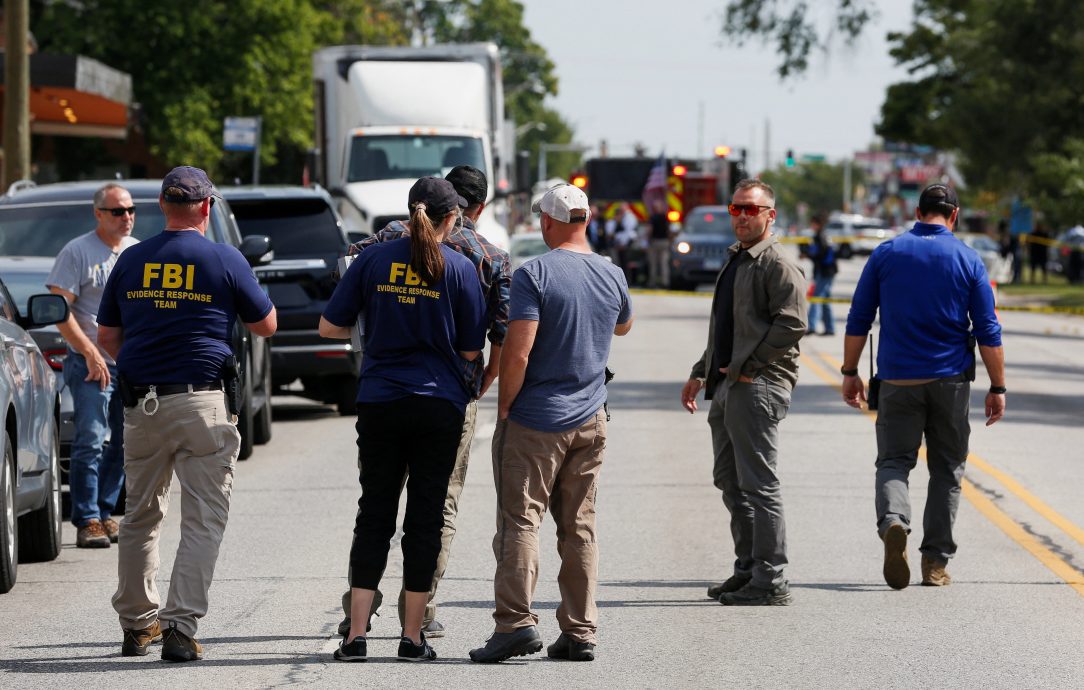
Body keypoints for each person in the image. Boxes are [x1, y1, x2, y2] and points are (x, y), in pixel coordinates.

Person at [97, 166, 277, 661]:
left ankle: (138, 625)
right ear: (207, 207)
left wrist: (146, 364)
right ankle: (179, 627)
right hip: (203, 403)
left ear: (161, 205)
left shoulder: (132, 260)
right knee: (203, 519)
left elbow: (107, 336)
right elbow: (266, 325)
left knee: (140, 516)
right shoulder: (224, 258)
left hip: (143, 403)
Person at [336, 165, 510, 639]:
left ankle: (357, 616)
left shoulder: (385, 241)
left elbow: (347, 271)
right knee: (436, 510)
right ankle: (419, 615)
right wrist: (487, 378)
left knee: (375, 507)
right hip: (449, 395)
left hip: (382, 391)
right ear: (473, 208)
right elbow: (499, 332)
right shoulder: (488, 256)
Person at [469, 184, 633, 664]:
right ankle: (580, 630)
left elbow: (517, 352)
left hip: (538, 419)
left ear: (547, 221)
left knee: (520, 521)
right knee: (579, 526)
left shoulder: (534, 273)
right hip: (591, 418)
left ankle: (515, 624)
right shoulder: (612, 273)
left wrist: (506, 406)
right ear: (586, 220)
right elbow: (623, 325)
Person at [840, 183, 1005, 590]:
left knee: (894, 461)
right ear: (954, 215)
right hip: (950, 381)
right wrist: (998, 387)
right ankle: (934, 563)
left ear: (917, 212)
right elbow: (988, 330)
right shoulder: (968, 259)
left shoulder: (886, 253)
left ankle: (894, 521)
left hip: (897, 379)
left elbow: (859, 317)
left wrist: (850, 370)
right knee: (946, 468)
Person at [679, 179, 807, 606]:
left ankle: (771, 579)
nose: (742, 217)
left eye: (752, 209)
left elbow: (792, 325)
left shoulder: (777, 263)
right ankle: (748, 568)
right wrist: (700, 372)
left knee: (759, 485)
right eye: (736, 209)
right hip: (729, 384)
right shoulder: (738, 259)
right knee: (730, 481)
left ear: (771, 215)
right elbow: (728, 329)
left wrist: (749, 367)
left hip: (757, 385)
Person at [46, 183, 138, 548]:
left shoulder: (136, 251)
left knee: (126, 440)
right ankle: (86, 519)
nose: (126, 217)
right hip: (90, 364)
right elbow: (59, 308)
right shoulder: (78, 251)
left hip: (128, 363)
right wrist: (89, 351)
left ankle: (105, 511)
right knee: (91, 439)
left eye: (130, 210)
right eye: (118, 211)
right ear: (98, 214)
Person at [805, 213, 838, 336]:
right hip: (828, 271)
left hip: (825, 271)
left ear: (818, 224)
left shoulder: (820, 237)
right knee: (825, 300)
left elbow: (820, 254)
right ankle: (830, 328)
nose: (811, 225)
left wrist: (807, 254)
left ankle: (811, 326)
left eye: (813, 223)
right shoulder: (824, 235)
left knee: (816, 297)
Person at [646, 199, 672, 288]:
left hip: (655, 242)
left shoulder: (652, 218)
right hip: (664, 242)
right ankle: (665, 282)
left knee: (653, 263)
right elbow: (669, 230)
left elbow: (649, 230)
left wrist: (648, 239)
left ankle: (652, 282)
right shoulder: (665, 217)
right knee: (664, 263)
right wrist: (670, 241)